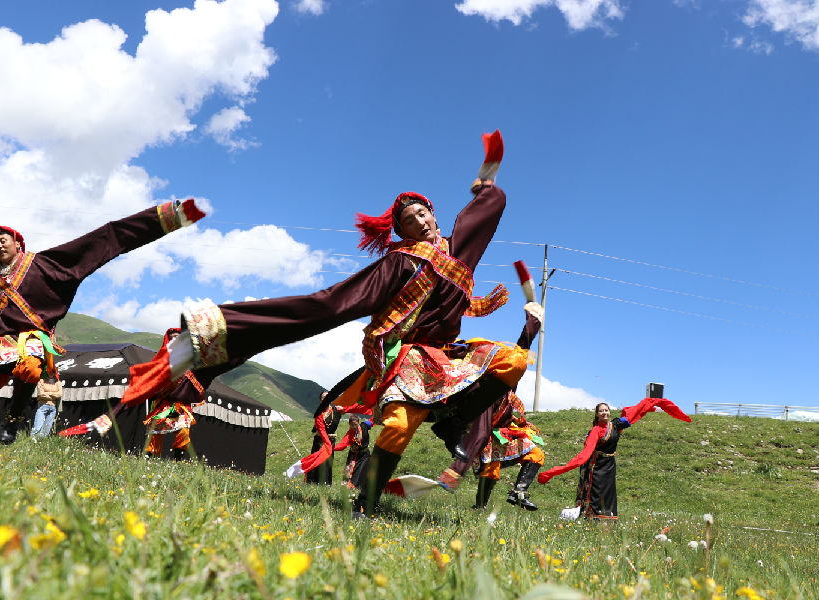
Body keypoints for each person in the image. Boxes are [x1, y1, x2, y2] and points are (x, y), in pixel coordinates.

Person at [124, 130, 541, 518]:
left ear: (434, 213)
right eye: (410, 221)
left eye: (423, 214)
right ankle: (368, 501)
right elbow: (333, 304)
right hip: (410, 359)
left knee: (514, 361)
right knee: (397, 426)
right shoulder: (400, 261)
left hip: (450, 358)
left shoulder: (460, 251)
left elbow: (487, 209)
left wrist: (486, 178)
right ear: (403, 232)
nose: (421, 223)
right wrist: (227, 326)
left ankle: (455, 422)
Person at [0, 199, 205, 444]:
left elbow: (105, 239)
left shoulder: (43, 265)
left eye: (3, 241)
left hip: (28, 339)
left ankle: (11, 422)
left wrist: (162, 218)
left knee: (30, 368)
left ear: (18, 243)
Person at [537, 397, 691, 521]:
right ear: (597, 414)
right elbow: (585, 453)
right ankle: (590, 517)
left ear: (609, 412)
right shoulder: (595, 431)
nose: (604, 413)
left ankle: (608, 517)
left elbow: (636, 412)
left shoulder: (616, 425)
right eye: (601, 411)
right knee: (595, 491)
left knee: (609, 491)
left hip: (610, 464)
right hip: (595, 465)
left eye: (606, 410)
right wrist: (556, 471)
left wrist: (654, 402)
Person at [141, 329, 205, 460]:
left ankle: (178, 457)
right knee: (155, 428)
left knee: (183, 429)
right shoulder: (161, 359)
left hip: (181, 402)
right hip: (163, 401)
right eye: (172, 338)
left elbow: (193, 378)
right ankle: (151, 456)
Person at [305, 394, 341, 484]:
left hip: (330, 439)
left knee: (327, 462)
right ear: (321, 400)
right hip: (319, 439)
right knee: (316, 460)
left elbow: (350, 408)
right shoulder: (319, 412)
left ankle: (325, 483)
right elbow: (320, 428)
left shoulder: (335, 409)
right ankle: (312, 482)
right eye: (324, 397)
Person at [335, 414, 372, 489]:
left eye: (355, 424)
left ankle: (360, 488)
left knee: (361, 472)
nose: (354, 426)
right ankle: (347, 487)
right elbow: (342, 445)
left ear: (358, 422)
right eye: (352, 424)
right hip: (353, 455)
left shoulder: (364, 426)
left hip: (364, 455)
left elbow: (372, 422)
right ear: (349, 424)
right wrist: (331, 447)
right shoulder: (349, 434)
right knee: (348, 471)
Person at [30, 375, 62, 440]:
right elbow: (41, 394)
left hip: (53, 408)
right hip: (42, 406)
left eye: (52, 371)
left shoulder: (58, 382)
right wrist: (53, 395)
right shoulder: (41, 381)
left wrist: (47, 393)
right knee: (37, 427)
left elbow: (60, 394)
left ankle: (40, 442)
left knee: (46, 429)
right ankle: (31, 442)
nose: (51, 373)